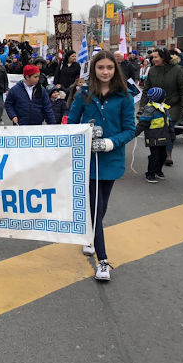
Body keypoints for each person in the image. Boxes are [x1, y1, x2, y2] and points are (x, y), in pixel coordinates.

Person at [68, 50, 135, 281]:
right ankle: (103, 260)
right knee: (96, 209)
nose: (105, 72)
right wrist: (84, 136)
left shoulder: (124, 96)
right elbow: (71, 124)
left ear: (115, 70)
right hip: (88, 161)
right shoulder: (83, 94)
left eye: (109, 68)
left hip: (112, 159)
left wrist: (110, 142)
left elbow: (130, 129)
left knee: (101, 207)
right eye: (100, 68)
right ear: (93, 70)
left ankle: (88, 236)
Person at [139, 48, 183, 167]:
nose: (153, 59)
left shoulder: (178, 70)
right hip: (156, 106)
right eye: (153, 57)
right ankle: (157, 154)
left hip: (173, 106)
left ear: (164, 58)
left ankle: (168, 153)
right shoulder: (152, 71)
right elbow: (146, 90)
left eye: (156, 57)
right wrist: (142, 107)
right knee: (156, 131)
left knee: (168, 130)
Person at [134, 87, 176, 183]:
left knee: (163, 155)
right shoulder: (150, 109)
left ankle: (158, 170)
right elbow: (143, 123)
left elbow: (168, 122)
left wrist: (172, 134)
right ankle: (150, 173)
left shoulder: (164, 108)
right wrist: (135, 133)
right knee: (155, 156)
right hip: (154, 138)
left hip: (164, 137)